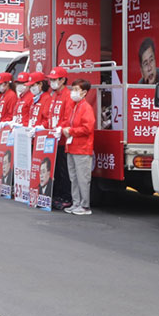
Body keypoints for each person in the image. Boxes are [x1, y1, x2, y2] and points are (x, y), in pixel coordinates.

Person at [64, 79, 96, 216]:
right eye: (73, 89)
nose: (73, 92)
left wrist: (70, 131)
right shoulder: (75, 106)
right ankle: (76, 203)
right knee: (74, 177)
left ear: (84, 92)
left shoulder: (86, 108)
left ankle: (85, 205)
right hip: (71, 147)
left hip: (82, 148)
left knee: (83, 178)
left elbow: (87, 128)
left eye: (76, 89)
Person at [47, 67, 75, 211]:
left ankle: (67, 197)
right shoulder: (54, 95)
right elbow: (50, 115)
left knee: (64, 171)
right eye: (51, 79)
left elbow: (68, 118)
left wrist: (60, 128)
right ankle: (57, 195)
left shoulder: (67, 96)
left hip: (63, 141)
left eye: (54, 79)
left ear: (63, 80)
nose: (52, 82)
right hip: (53, 140)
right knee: (55, 170)